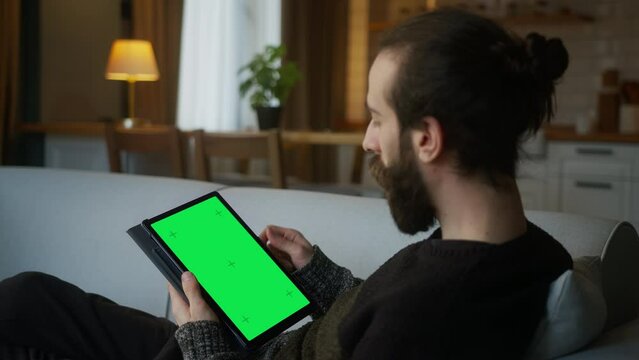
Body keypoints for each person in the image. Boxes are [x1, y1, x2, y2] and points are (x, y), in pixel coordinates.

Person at [0, 8, 572, 360]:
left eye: (377, 118)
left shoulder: (435, 310)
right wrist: (318, 271)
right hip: (263, 349)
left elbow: (400, 324)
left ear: (427, 138)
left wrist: (200, 336)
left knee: (26, 314)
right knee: (28, 297)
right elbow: (376, 318)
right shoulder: (521, 251)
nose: (368, 141)